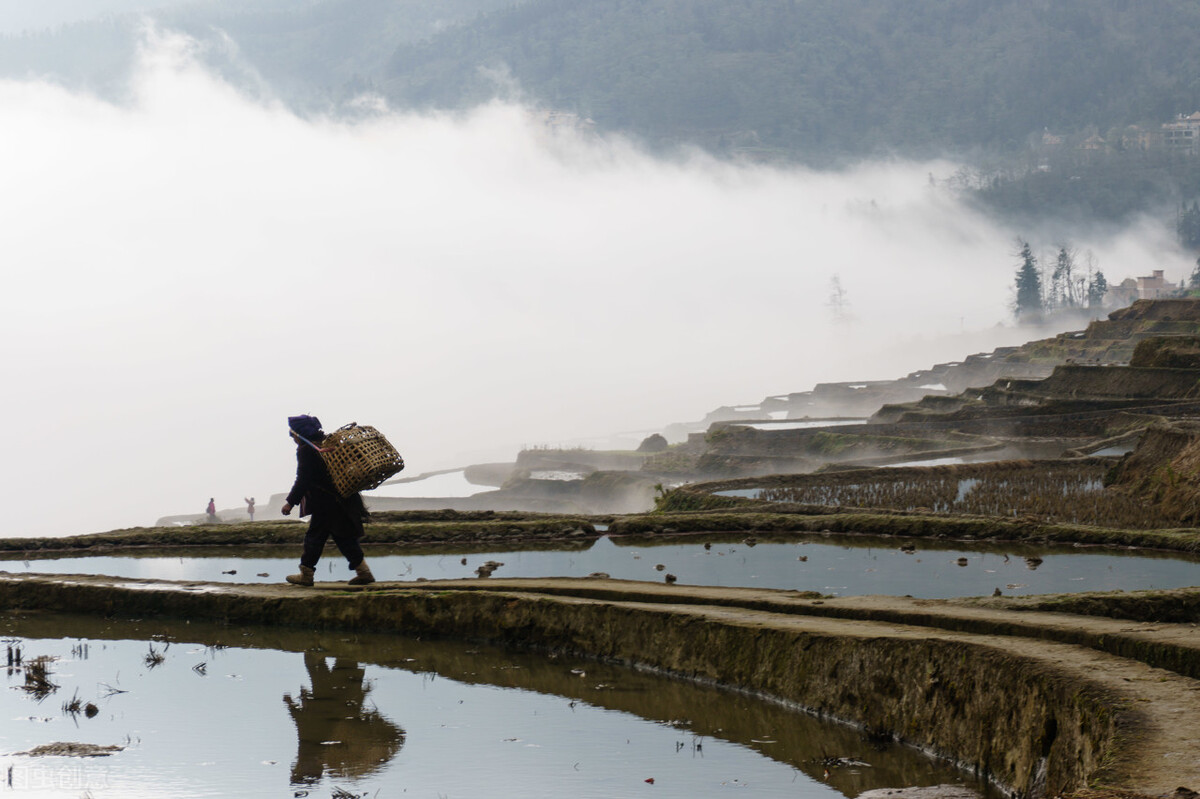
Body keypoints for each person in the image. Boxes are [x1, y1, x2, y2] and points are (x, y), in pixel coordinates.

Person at [281, 415, 375, 586]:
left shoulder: (307, 450)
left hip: (325, 503)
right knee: (344, 538)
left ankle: (306, 575)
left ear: (299, 434)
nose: (292, 438)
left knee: (315, 538)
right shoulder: (328, 443)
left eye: (292, 435)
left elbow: (303, 479)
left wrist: (290, 502)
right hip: (343, 498)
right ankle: (364, 572)